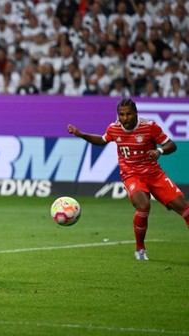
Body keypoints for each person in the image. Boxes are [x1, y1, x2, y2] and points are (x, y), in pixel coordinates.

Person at [68, 98, 189, 261]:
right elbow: (102, 140)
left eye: (129, 114)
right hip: (131, 175)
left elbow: (171, 145)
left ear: (136, 113)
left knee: (185, 210)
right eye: (121, 115)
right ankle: (140, 249)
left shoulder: (150, 127)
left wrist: (159, 151)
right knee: (143, 205)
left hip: (154, 174)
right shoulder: (114, 128)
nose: (125, 118)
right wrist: (80, 134)